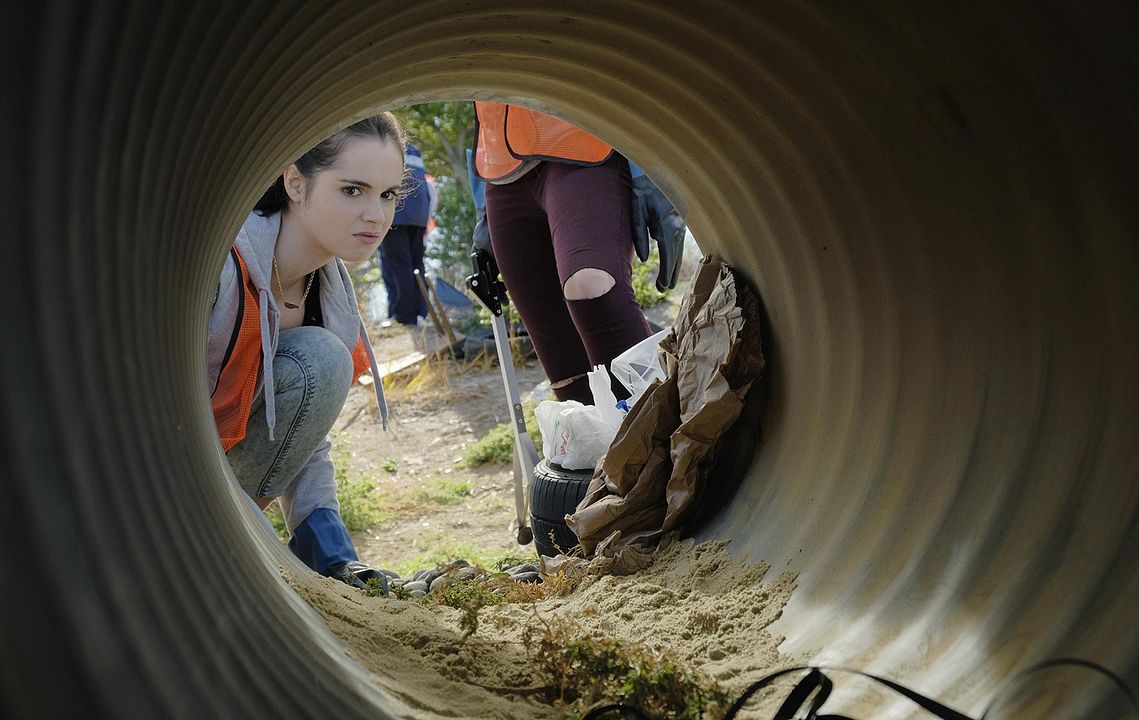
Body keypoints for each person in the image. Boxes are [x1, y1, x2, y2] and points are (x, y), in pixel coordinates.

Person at [207, 113, 405, 591]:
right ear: (296, 182)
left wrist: (334, 557)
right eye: (352, 190)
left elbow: (299, 433)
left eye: (388, 195)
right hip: (145, 478)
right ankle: (212, 548)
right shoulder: (219, 268)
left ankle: (237, 550)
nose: (375, 215)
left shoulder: (327, 292)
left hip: (219, 485)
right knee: (322, 357)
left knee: (322, 359)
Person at [471, 101, 686, 404]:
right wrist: (481, 204)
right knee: (559, 355)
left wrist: (648, 165)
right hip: (501, 171)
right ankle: (606, 449)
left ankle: (670, 435)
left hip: (583, 143)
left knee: (593, 288)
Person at [378, 142, 432, 326]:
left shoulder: (384, 144)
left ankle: (404, 317)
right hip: (419, 216)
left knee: (397, 265)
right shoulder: (415, 151)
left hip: (396, 214)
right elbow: (429, 189)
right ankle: (421, 314)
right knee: (417, 264)